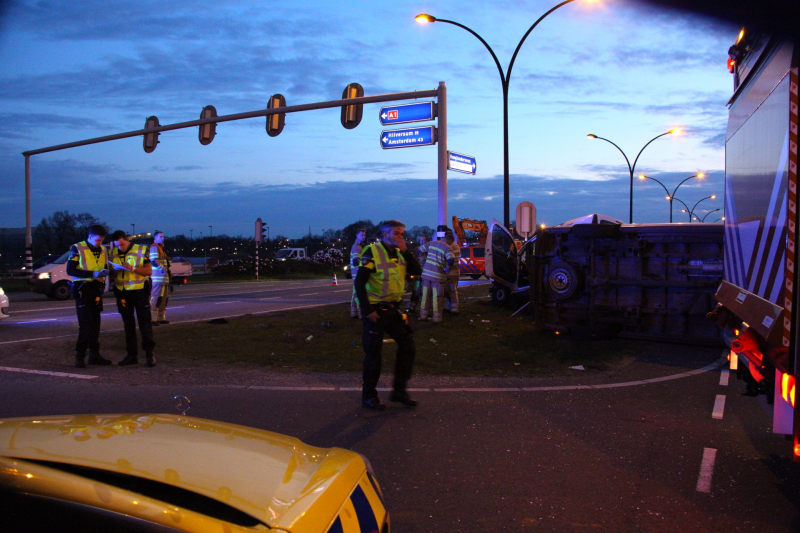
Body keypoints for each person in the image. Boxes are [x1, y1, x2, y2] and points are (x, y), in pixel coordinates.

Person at [354, 220, 421, 410]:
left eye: (401, 233)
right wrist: (368, 311)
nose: (400, 237)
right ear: (384, 235)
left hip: (393, 309)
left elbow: (417, 270)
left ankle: (399, 391)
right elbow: (359, 283)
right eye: (396, 233)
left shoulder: (399, 254)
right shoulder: (372, 252)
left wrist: (406, 250)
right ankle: (369, 396)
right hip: (376, 310)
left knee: (408, 346)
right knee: (374, 354)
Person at [67, 224, 112, 368]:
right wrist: (93, 274)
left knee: (96, 324)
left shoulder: (103, 249)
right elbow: (70, 270)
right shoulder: (78, 248)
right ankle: (80, 356)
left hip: (96, 289)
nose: (99, 243)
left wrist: (105, 272)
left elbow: (102, 265)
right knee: (85, 325)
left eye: (101, 240)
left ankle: (95, 355)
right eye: (98, 240)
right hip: (83, 289)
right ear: (90, 236)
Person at [109, 230, 156, 367]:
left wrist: (133, 268)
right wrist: (115, 270)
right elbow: (112, 273)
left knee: (144, 324)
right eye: (118, 245)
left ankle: (149, 354)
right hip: (122, 292)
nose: (120, 248)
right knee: (128, 325)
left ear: (127, 240)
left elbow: (148, 271)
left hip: (139, 291)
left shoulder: (141, 250)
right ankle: (131, 355)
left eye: (122, 244)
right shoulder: (113, 253)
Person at [419, 229, 454, 324]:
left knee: (425, 296)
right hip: (438, 278)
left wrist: (423, 261)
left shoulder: (431, 243)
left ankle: (423, 316)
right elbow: (451, 260)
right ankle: (437, 319)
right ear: (450, 241)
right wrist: (447, 269)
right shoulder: (448, 247)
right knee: (437, 297)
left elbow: (420, 250)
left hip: (426, 276)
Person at [149, 231, 171, 325]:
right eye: (160, 237)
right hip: (158, 278)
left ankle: (161, 318)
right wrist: (163, 269)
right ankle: (152, 319)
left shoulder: (162, 248)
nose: (163, 238)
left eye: (163, 236)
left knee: (164, 298)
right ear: (155, 238)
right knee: (156, 298)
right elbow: (153, 261)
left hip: (163, 278)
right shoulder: (154, 247)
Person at [406, 233, 429, 313]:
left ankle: (424, 311)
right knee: (416, 292)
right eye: (421, 240)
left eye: (423, 240)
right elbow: (413, 261)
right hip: (418, 275)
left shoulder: (429, 250)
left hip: (427, 274)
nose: (422, 242)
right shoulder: (416, 249)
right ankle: (411, 308)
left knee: (426, 293)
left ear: (427, 241)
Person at [350, 229, 366, 319]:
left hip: (355, 273)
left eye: (364, 235)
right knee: (359, 292)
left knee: (355, 292)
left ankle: (354, 312)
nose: (363, 236)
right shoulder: (357, 247)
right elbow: (356, 261)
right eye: (361, 235)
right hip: (357, 273)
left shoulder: (359, 246)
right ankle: (361, 313)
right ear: (357, 235)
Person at [444, 230, 461, 314]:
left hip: (452, 273)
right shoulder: (456, 245)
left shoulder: (451, 247)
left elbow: (450, 260)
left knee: (452, 291)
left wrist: (446, 269)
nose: (445, 242)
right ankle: (449, 307)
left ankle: (454, 309)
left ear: (450, 240)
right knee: (450, 291)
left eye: (446, 240)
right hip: (455, 272)